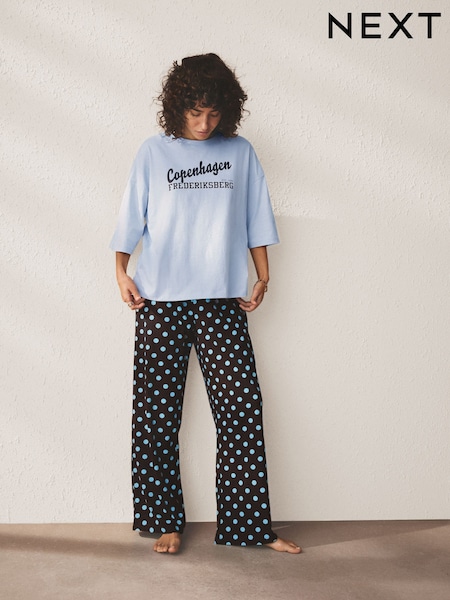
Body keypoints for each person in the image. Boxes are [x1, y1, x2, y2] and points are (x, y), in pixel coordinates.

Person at [110, 53, 301, 555]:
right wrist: (120, 272)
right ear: (178, 105)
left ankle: (248, 527)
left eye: (214, 113)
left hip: (220, 300)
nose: (203, 124)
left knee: (241, 409)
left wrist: (263, 275)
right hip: (160, 301)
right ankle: (164, 522)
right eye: (195, 112)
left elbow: (256, 217)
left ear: (227, 110)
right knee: (156, 416)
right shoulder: (154, 152)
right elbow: (131, 217)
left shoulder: (239, 152)